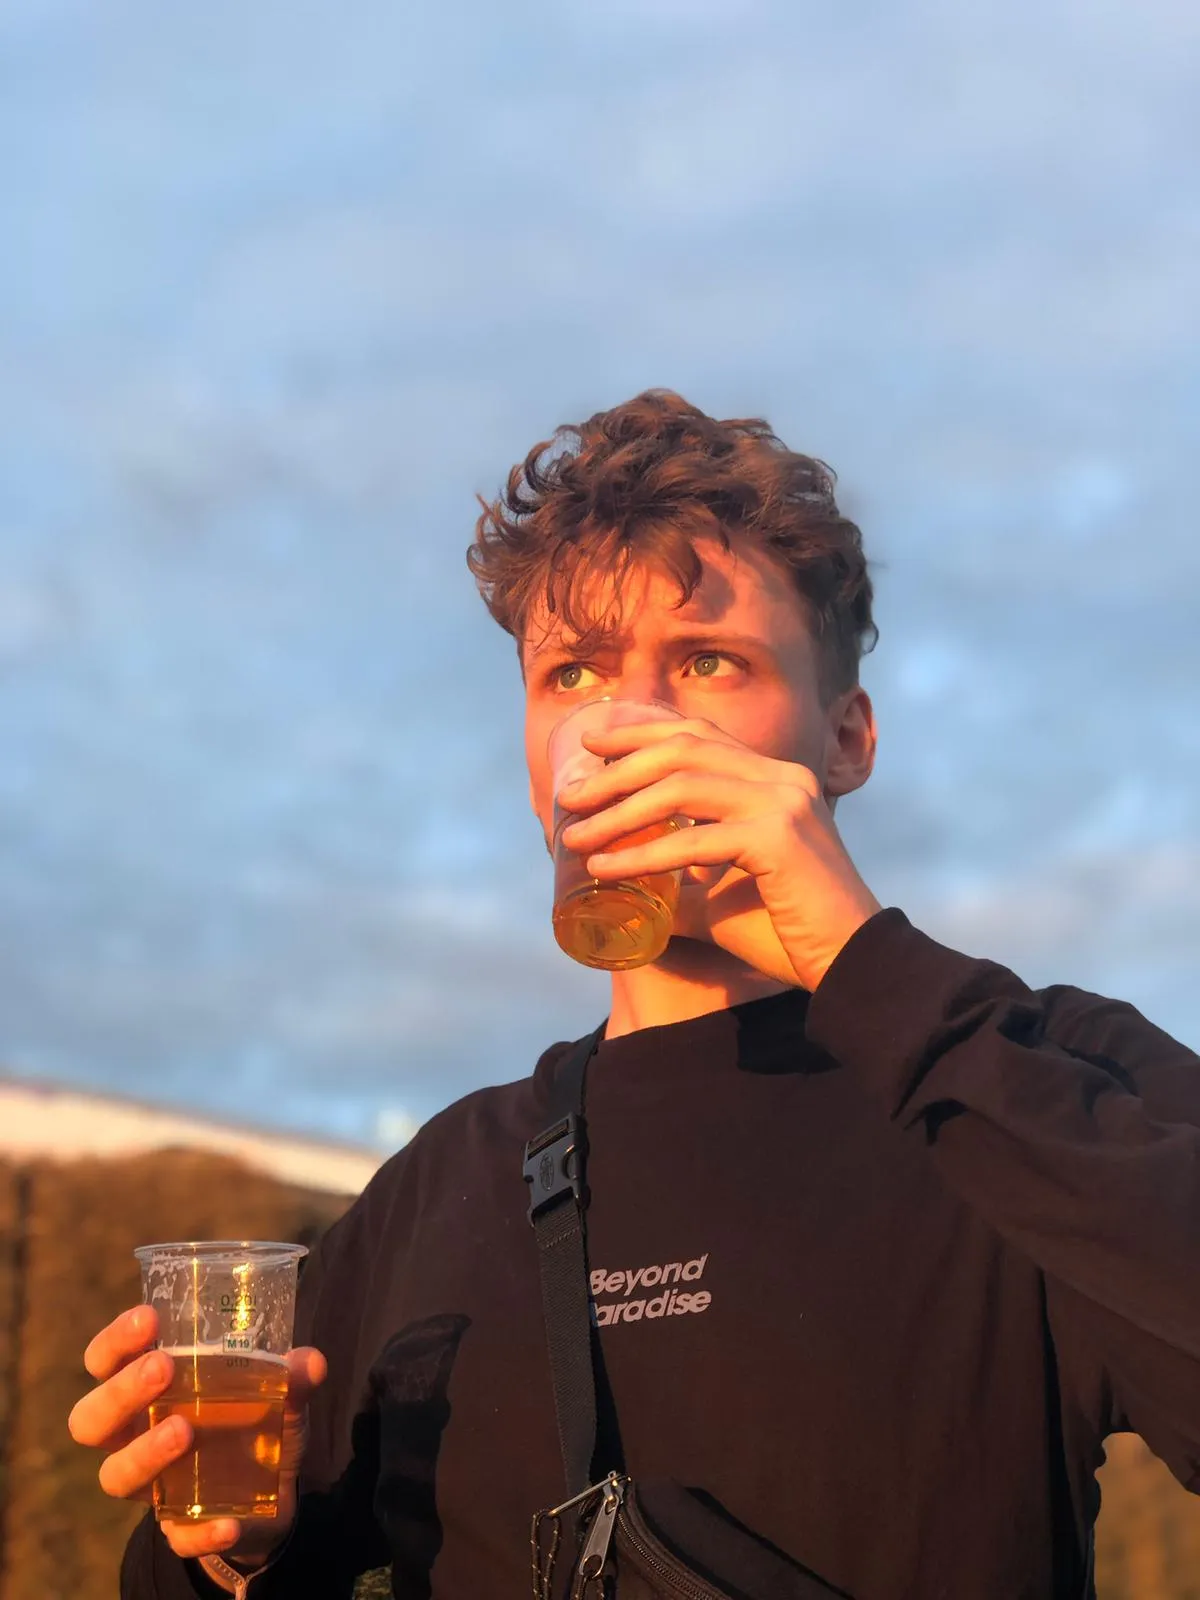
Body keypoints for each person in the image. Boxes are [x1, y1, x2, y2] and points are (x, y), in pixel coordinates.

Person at [69, 391, 1199, 1598]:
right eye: (573, 673)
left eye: (708, 661)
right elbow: (198, 1573)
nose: (630, 727)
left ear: (847, 740)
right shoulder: (443, 1185)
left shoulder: (1038, 1073)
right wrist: (240, 1551)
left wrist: (866, 962)